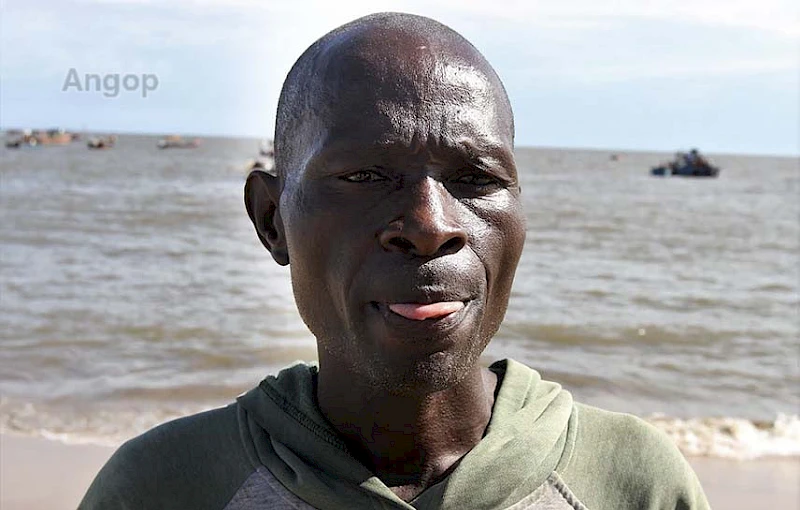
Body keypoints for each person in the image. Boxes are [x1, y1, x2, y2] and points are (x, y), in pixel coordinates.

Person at [80, 13, 710, 510]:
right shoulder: (166, 487)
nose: (431, 225)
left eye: (475, 177)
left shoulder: (634, 484)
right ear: (273, 221)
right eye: (365, 174)